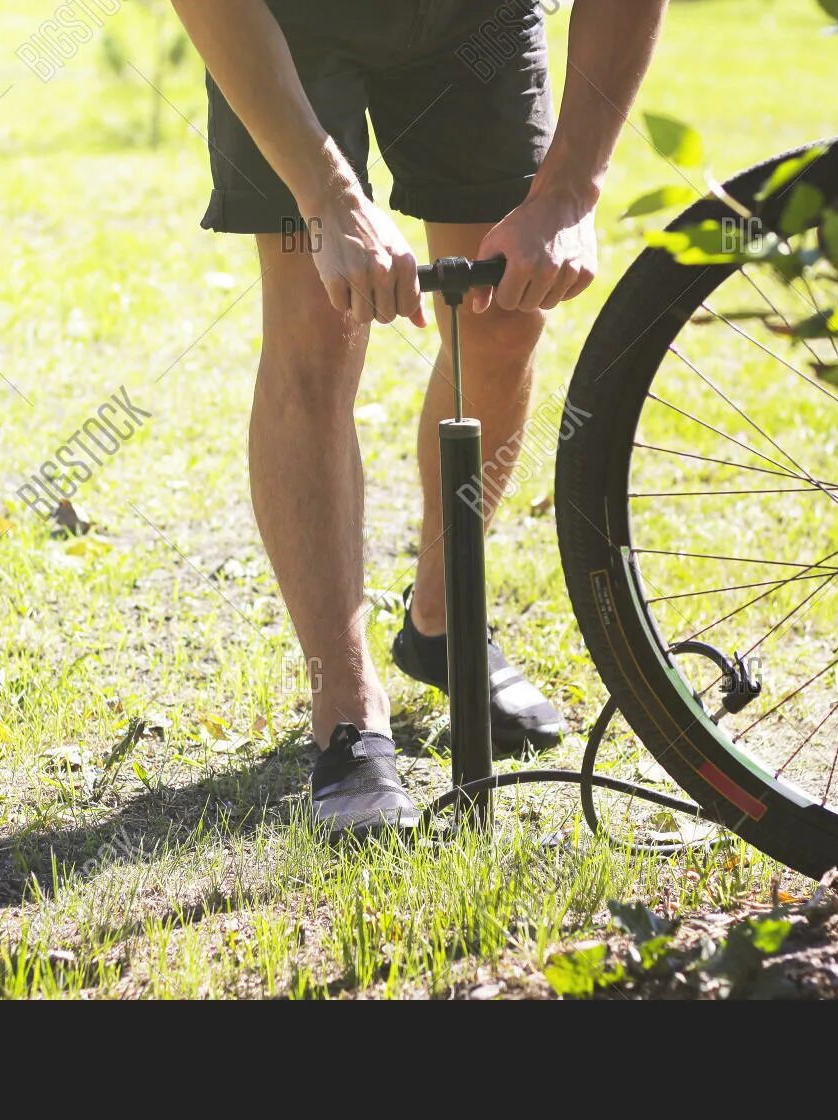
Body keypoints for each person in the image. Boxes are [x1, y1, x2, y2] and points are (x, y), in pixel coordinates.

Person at [171, 0, 668, 833]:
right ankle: (345, 706)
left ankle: (440, 625)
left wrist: (571, 190)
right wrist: (327, 196)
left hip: (479, 19)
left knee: (503, 315)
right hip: (293, 22)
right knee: (322, 324)